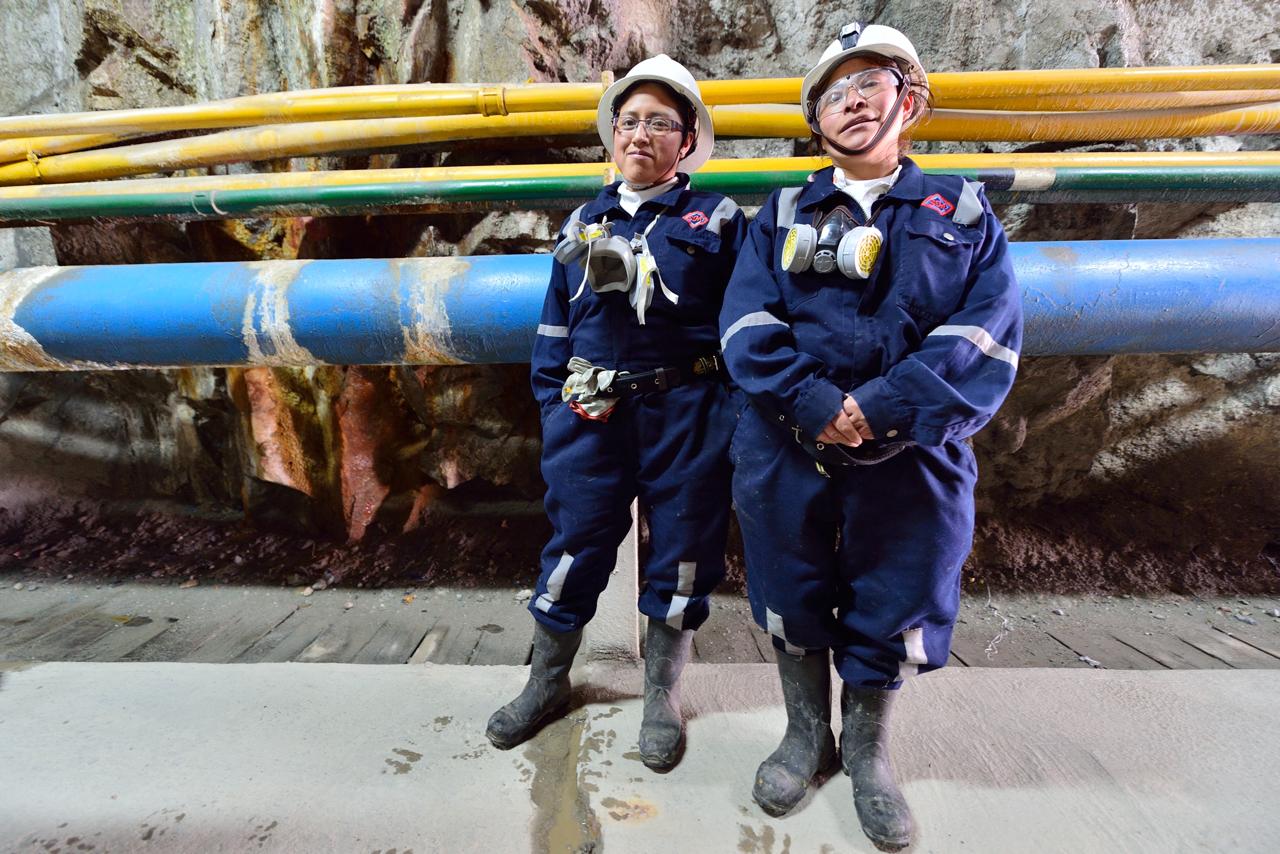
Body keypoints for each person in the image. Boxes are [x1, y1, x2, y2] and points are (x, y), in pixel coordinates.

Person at [719, 23, 1022, 851]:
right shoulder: (780, 213)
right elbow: (745, 323)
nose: (851, 102)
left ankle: (868, 753)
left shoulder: (962, 212)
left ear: (909, 100)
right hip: (788, 443)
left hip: (914, 451)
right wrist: (814, 400)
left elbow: (985, 335)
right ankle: (803, 735)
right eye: (832, 94)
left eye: (870, 85)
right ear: (814, 120)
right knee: (788, 584)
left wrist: (882, 406)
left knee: (899, 591)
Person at [486, 55, 746, 772]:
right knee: (574, 547)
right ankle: (546, 683)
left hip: (687, 415)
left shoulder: (719, 221)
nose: (641, 135)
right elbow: (553, 328)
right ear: (613, 134)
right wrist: (555, 408)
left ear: (686, 140)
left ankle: (661, 696)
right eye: (629, 121)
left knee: (685, 552)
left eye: (660, 123)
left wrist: (727, 417)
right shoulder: (583, 221)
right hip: (591, 416)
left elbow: (745, 326)